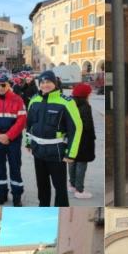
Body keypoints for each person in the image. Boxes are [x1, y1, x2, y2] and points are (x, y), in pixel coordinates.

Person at [26, 71, 83, 207]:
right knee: (42, 186)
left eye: (48, 82)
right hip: (38, 152)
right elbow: (29, 125)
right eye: (42, 82)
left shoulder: (66, 102)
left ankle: (61, 207)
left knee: (60, 188)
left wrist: (71, 154)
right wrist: (28, 143)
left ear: (55, 83)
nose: (45, 85)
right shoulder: (34, 100)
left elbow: (76, 128)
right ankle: (43, 206)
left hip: (56, 153)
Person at [0, 74, 27, 206]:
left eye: (3, 85)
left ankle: (17, 196)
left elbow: (22, 120)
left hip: (13, 140)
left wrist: (9, 135)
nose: (1, 88)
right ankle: (2, 194)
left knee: (15, 168)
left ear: (9, 85)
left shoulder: (18, 100)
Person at [68, 83, 96, 199]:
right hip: (84, 139)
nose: (91, 94)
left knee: (73, 161)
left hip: (72, 137)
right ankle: (79, 190)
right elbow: (87, 125)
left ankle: (72, 185)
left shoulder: (71, 103)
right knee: (81, 163)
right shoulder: (85, 106)